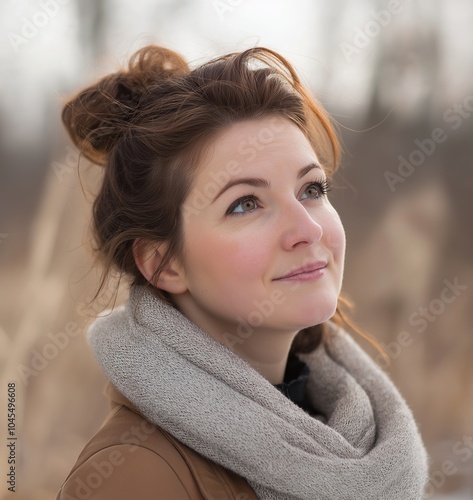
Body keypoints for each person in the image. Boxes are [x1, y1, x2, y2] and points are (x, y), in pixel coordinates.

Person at [56, 44, 428, 499]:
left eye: (311, 189)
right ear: (163, 264)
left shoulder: (361, 439)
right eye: (246, 204)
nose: (307, 229)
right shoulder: (133, 478)